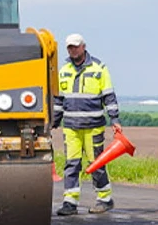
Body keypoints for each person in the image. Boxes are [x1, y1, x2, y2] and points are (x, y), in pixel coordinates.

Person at [51, 33, 119, 215]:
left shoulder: (99, 68)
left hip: (93, 126)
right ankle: (70, 202)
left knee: (96, 163)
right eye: (70, 47)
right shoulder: (63, 71)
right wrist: (53, 123)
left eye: (76, 46)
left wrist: (115, 120)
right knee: (71, 163)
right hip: (71, 127)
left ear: (83, 46)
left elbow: (109, 97)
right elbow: (58, 101)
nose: (73, 50)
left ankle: (105, 199)